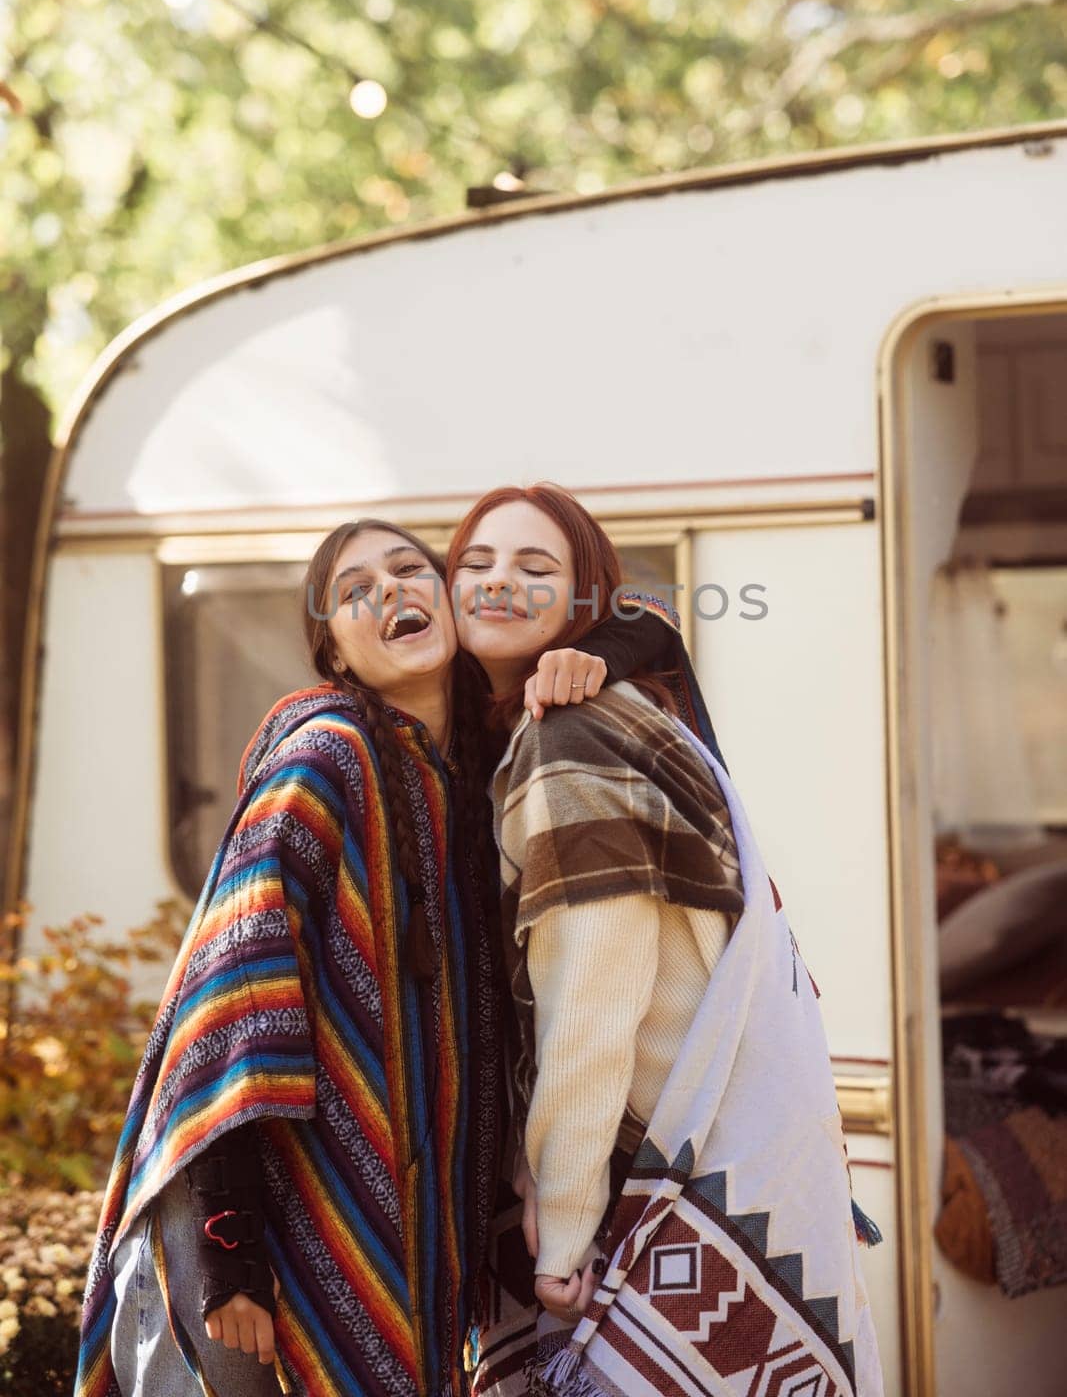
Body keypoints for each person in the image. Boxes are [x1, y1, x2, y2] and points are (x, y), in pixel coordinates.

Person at [75, 517, 699, 1397]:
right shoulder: (322, 764)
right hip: (265, 1240)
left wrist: (609, 642)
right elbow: (230, 1009)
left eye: (411, 569)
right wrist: (229, 1254)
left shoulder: (479, 764)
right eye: (354, 590)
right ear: (333, 651)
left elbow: (654, 618)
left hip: (413, 1230)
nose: (392, 592)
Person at [448, 484, 885, 1397]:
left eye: (535, 568)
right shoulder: (607, 717)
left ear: (579, 603)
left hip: (666, 1182)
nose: (498, 582)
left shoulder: (569, 744)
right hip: (745, 1154)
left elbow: (591, 1008)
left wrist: (561, 1225)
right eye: (475, 563)